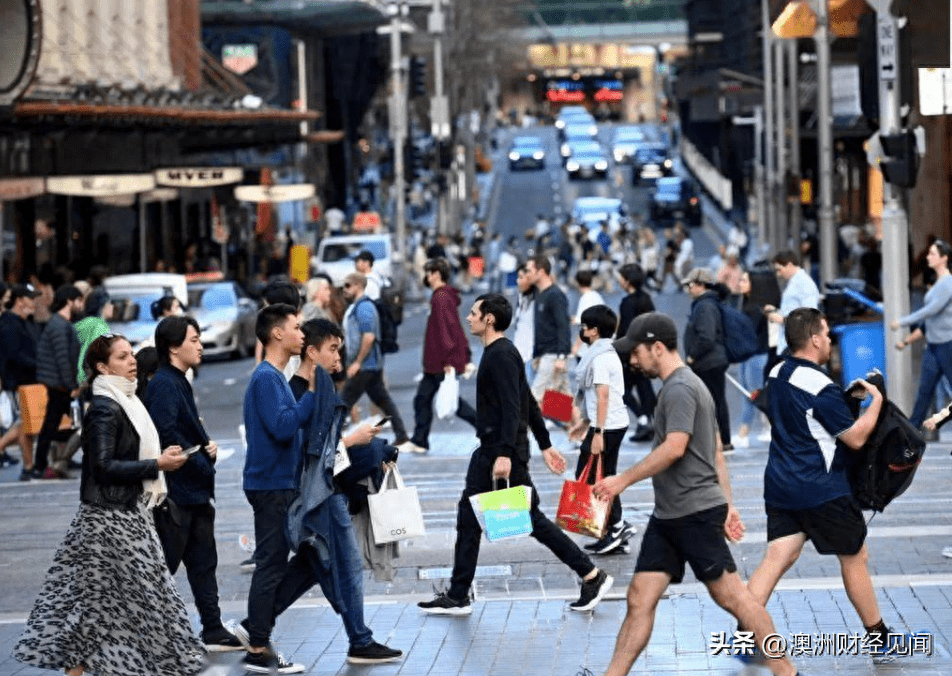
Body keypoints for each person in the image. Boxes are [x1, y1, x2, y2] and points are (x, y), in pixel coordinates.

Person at [592, 312, 800, 676]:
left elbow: (675, 448)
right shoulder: (681, 386)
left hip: (693, 512)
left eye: (636, 352)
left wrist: (621, 480)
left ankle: (786, 671)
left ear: (658, 347)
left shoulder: (681, 389)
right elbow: (715, 450)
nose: (633, 360)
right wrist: (729, 505)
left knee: (732, 597)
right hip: (671, 514)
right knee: (640, 597)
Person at [12, 334, 203, 676]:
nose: (132, 361)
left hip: (127, 513)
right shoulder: (104, 407)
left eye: (132, 355)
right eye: (122, 357)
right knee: (143, 597)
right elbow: (102, 466)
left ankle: (82, 666)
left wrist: (161, 459)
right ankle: (161, 664)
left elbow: (130, 454)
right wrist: (156, 465)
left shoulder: (125, 400)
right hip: (108, 520)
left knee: (104, 601)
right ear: (103, 367)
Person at [418, 294, 613, 616]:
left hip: (499, 451)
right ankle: (458, 593)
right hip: (495, 449)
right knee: (470, 518)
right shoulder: (501, 354)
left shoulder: (501, 355)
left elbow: (513, 407)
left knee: (530, 520)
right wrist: (547, 444)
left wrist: (507, 453)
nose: (468, 318)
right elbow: (528, 403)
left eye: (473, 313)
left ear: (490, 318)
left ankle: (591, 574)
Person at [237, 318, 403, 665]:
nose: (339, 357)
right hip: (314, 492)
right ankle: (355, 639)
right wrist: (352, 441)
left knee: (313, 565)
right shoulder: (292, 385)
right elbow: (304, 446)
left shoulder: (301, 384)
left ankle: (257, 626)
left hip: (310, 490)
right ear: (310, 350)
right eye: (332, 349)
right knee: (340, 564)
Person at [746, 307, 906, 664]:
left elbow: (802, 418)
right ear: (815, 338)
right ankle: (879, 638)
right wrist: (875, 404)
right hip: (821, 487)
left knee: (778, 556)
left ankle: (746, 632)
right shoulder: (821, 385)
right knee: (854, 557)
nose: (831, 340)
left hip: (781, 483)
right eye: (828, 333)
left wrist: (845, 401)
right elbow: (854, 439)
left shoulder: (775, 372)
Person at [143, 315, 242, 652]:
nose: (200, 346)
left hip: (194, 492)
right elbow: (166, 432)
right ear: (173, 347)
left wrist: (205, 448)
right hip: (177, 496)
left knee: (203, 564)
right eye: (194, 340)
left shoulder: (178, 380)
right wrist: (201, 459)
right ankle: (145, 634)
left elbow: (185, 431)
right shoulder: (165, 383)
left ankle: (212, 628)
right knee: (163, 567)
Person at [240, 303, 317, 674]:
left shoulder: (275, 376)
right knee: (270, 565)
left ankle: (256, 632)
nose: (302, 334)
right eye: (297, 328)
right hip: (270, 484)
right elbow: (283, 426)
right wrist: (311, 396)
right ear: (277, 333)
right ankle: (257, 645)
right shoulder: (266, 378)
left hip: (278, 483)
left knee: (285, 562)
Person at [568, 304, 636, 555]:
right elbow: (596, 398)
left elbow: (603, 396)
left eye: (584, 327)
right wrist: (584, 423)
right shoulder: (603, 353)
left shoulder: (599, 358)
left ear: (594, 331)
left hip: (608, 426)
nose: (581, 331)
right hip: (609, 423)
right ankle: (614, 529)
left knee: (591, 477)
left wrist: (597, 433)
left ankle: (617, 526)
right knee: (603, 475)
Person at [406, 258, 477, 453]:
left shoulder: (440, 298)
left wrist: (449, 359)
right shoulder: (443, 297)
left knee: (451, 403)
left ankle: (489, 430)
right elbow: (456, 328)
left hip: (440, 361)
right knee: (424, 398)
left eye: (429, 273)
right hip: (437, 362)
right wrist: (465, 355)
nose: (426, 277)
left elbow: (446, 330)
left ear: (436, 274)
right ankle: (419, 440)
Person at [339, 272, 412, 451]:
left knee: (342, 403)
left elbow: (369, 336)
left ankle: (330, 439)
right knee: (383, 400)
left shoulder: (364, 308)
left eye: (347, 286)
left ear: (358, 285)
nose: (344, 290)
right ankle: (401, 436)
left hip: (366, 366)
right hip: (369, 366)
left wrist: (357, 362)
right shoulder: (356, 307)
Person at [890, 239, 952, 426]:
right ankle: (909, 439)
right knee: (923, 394)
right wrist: (907, 340)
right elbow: (928, 322)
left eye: (933, 254)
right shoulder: (939, 282)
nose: (928, 256)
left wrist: (902, 321)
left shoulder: (948, 284)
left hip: (948, 345)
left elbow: (930, 310)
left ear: (944, 258)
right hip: (933, 346)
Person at [33, 285, 84, 479]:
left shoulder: (61, 324)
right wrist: (72, 386)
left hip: (60, 384)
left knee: (63, 425)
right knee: (78, 426)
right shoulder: (59, 325)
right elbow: (63, 359)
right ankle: (44, 464)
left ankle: (53, 462)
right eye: (78, 301)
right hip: (60, 385)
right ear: (69, 301)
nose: (81, 305)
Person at [682, 268, 732, 451]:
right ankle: (721, 440)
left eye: (690, 285)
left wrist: (692, 356)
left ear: (701, 285)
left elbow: (706, 337)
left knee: (713, 402)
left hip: (709, 362)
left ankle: (722, 441)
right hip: (711, 361)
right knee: (714, 401)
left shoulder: (705, 306)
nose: (688, 288)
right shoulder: (705, 304)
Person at [0, 283, 42, 480]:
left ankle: (29, 466)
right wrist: (39, 365)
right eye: (30, 298)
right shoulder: (9, 323)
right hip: (19, 383)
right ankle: (28, 466)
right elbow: (14, 356)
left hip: (30, 382)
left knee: (27, 424)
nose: (34, 302)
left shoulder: (26, 322)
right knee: (25, 424)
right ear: (19, 301)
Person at [616, 263, 656, 441]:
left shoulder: (627, 303)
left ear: (628, 281)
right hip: (646, 351)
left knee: (620, 390)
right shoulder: (647, 299)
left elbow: (627, 331)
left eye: (621, 278)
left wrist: (629, 354)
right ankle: (649, 421)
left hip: (630, 354)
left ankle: (643, 419)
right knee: (644, 387)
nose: (619, 281)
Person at [526, 255, 571, 402]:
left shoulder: (555, 296)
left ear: (541, 271)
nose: (527, 274)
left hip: (553, 356)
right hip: (545, 355)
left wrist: (562, 357)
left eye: (530, 270)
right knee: (559, 406)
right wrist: (537, 354)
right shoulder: (540, 294)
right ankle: (577, 424)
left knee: (533, 402)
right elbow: (542, 328)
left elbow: (563, 326)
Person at [734, 271, 771, 448]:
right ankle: (759, 429)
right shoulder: (746, 302)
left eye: (744, 280)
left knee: (753, 394)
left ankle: (745, 432)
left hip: (756, 355)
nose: (740, 283)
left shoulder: (757, 306)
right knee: (748, 394)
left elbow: (748, 332)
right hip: (747, 355)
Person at [765, 249, 820, 365]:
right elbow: (794, 310)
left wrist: (783, 319)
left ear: (790, 265)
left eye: (779, 269)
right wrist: (777, 312)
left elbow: (810, 315)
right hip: (790, 343)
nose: (778, 274)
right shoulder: (794, 282)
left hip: (797, 346)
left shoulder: (804, 283)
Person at [75, 289, 113, 387]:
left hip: (76, 375)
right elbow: (97, 355)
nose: (112, 307)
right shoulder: (100, 326)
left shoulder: (85, 322)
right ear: (103, 306)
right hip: (89, 378)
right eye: (110, 303)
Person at [510, 264, 537, 383]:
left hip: (535, 351)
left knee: (542, 389)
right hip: (521, 348)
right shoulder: (522, 296)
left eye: (521, 277)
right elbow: (518, 319)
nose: (517, 280)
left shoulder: (541, 298)